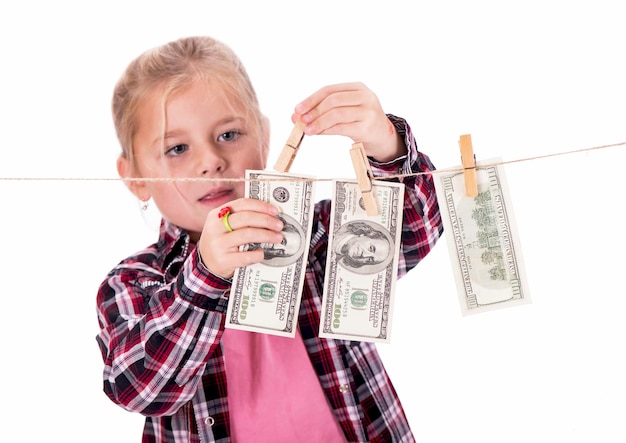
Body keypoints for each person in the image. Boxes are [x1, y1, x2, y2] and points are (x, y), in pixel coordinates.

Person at [96, 36, 443, 443]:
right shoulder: (135, 281)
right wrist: (205, 275)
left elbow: (416, 229)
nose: (210, 161)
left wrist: (385, 145)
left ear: (263, 137)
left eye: (228, 135)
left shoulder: (313, 233)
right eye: (177, 148)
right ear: (136, 179)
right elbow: (140, 389)